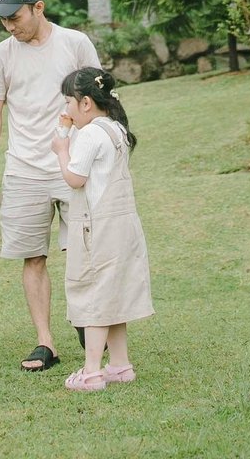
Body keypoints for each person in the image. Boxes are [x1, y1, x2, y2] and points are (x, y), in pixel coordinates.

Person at [0, 0, 102, 372]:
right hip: (24, 170)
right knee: (33, 257)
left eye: (15, 17)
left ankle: (88, 322)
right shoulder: (3, 54)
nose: (10, 26)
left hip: (73, 165)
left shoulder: (75, 43)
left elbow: (100, 101)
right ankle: (45, 343)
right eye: (3, 20)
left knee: (84, 250)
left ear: (39, 7)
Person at [51, 66, 153, 392]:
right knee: (114, 294)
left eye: (69, 102)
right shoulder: (116, 129)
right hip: (122, 227)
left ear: (84, 103)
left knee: (93, 294)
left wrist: (61, 150)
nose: (66, 109)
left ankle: (92, 371)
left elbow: (75, 178)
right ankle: (120, 365)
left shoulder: (92, 134)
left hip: (97, 229)